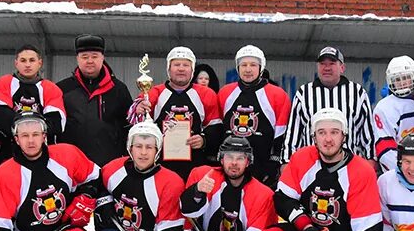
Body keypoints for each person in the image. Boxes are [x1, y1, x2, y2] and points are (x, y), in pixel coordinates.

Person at [217, 44, 291, 188]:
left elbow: (282, 134)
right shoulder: (225, 93)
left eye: (253, 65)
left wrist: (274, 164)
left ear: (261, 67)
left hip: (262, 169)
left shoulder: (277, 95)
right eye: (243, 65)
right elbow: (219, 129)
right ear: (238, 68)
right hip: (231, 167)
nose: (248, 69)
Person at [285, 46, 375, 160]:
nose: (326, 68)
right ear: (317, 67)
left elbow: (368, 134)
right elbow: (293, 133)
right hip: (312, 164)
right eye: (322, 64)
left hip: (349, 165)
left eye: (332, 63)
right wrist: (287, 162)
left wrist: (371, 160)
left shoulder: (358, 92)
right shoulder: (303, 93)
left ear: (342, 67)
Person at [148, 46, 223, 180]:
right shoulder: (154, 93)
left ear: (192, 69)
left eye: (186, 65)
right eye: (176, 64)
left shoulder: (206, 94)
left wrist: (204, 140)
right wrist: (138, 109)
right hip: (160, 166)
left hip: (194, 166)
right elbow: (139, 126)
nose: (181, 68)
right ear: (169, 69)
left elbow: (216, 128)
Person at [58, 33, 133, 166]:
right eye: (84, 57)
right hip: (72, 165)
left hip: (109, 165)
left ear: (102, 57)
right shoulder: (62, 89)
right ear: (77, 58)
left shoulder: (119, 89)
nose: (90, 61)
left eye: (94, 56)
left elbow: (128, 126)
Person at [0, 44, 66, 158]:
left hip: (41, 155)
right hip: (9, 153)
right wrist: (33, 127)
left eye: (32, 60)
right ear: (16, 63)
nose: (28, 64)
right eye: (23, 60)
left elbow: (56, 123)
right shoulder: (5, 83)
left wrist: (28, 133)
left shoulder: (51, 88)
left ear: (40, 63)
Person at [373, 54, 414, 173]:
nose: (402, 83)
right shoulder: (384, 107)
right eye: (397, 79)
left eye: (406, 77)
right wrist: (405, 171)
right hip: (401, 168)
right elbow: (384, 147)